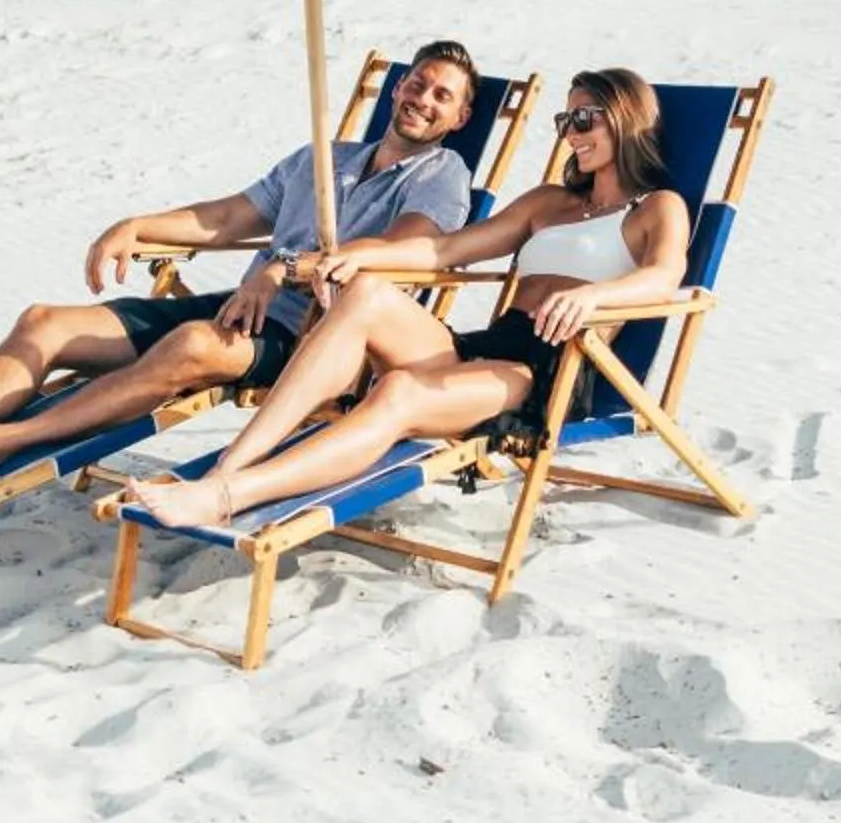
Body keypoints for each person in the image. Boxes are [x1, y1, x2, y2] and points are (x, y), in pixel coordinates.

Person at [0, 41, 484, 488]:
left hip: (314, 339)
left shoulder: (442, 173)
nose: (422, 100)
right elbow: (227, 217)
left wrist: (280, 269)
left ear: (460, 117)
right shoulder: (323, 160)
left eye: (441, 96)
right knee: (46, 323)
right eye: (416, 85)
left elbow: (403, 253)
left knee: (189, 344)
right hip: (242, 309)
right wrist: (136, 226)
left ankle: (7, 437)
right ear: (395, 90)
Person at [129, 68, 685, 530]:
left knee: (396, 391)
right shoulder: (549, 201)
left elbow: (665, 277)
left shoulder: (657, 207)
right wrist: (361, 258)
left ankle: (229, 496)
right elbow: (444, 251)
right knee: (367, 291)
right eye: (566, 120)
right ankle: (231, 465)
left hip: (544, 370)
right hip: (488, 346)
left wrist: (597, 299)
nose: (571, 132)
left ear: (625, 119)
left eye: (584, 118)